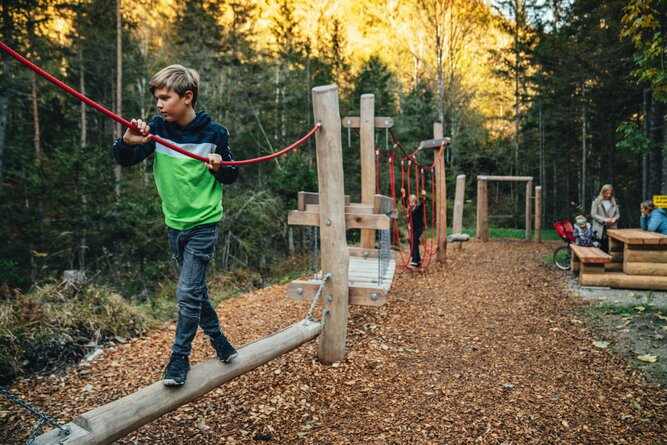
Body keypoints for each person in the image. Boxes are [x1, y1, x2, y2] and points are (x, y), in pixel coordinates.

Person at [112, 65, 239, 386]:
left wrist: (218, 168)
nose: (158, 105)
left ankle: (179, 358)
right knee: (195, 291)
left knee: (186, 292)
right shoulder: (157, 131)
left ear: (187, 97)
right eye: (156, 98)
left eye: (164, 98)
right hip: (174, 224)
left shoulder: (215, 134)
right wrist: (127, 142)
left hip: (204, 223)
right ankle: (219, 340)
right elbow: (125, 159)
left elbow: (232, 174)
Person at [401, 188, 427, 268]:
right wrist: (403, 195)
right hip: (413, 229)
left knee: (415, 241)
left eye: (412, 202)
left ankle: (415, 261)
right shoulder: (410, 209)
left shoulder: (418, 208)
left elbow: (423, 203)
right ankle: (418, 260)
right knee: (413, 243)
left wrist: (424, 196)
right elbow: (403, 204)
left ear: (415, 202)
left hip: (419, 228)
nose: (410, 204)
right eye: (409, 202)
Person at [590, 184, 619, 252]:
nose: (608, 195)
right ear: (603, 192)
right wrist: (604, 220)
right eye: (607, 193)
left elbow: (617, 214)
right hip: (599, 229)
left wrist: (615, 219)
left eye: (610, 193)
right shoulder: (596, 202)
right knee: (598, 248)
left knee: (610, 247)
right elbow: (593, 214)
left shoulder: (614, 202)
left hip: (611, 228)